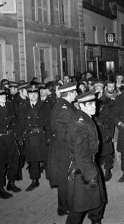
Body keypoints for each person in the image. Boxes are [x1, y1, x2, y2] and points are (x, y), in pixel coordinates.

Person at [66, 91, 106, 224]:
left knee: (96, 200)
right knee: (79, 206)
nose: (93, 106)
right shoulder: (79, 124)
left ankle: (96, 221)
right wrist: (91, 175)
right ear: (81, 106)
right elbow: (81, 154)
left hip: (89, 163)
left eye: (94, 103)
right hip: (83, 167)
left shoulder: (86, 117)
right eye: (89, 104)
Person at [47, 81, 78, 216]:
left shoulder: (63, 105)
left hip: (61, 147)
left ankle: (65, 205)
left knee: (65, 178)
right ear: (70, 93)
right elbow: (64, 133)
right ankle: (64, 207)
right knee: (65, 179)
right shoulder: (64, 109)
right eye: (75, 92)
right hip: (64, 149)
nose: (76, 94)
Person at [0, 88, 22, 199]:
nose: (4, 96)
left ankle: (11, 183)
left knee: (14, 161)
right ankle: (0, 189)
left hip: (11, 137)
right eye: (0, 95)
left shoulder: (9, 106)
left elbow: (15, 122)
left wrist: (19, 137)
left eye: (4, 94)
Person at [18, 85, 51, 191]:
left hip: (41, 134)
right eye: (31, 93)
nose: (33, 95)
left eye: (35, 93)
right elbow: (20, 123)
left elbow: (49, 122)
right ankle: (34, 180)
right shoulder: (23, 106)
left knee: (46, 158)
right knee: (33, 160)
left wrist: (49, 136)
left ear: (38, 94)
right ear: (27, 95)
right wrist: (20, 137)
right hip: (29, 135)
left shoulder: (45, 105)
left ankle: (51, 179)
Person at [93, 81, 115, 182]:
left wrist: (110, 133)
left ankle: (108, 170)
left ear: (103, 89)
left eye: (100, 88)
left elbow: (111, 119)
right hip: (93, 129)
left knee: (107, 152)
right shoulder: (89, 101)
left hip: (104, 129)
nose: (98, 90)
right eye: (96, 88)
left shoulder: (108, 101)